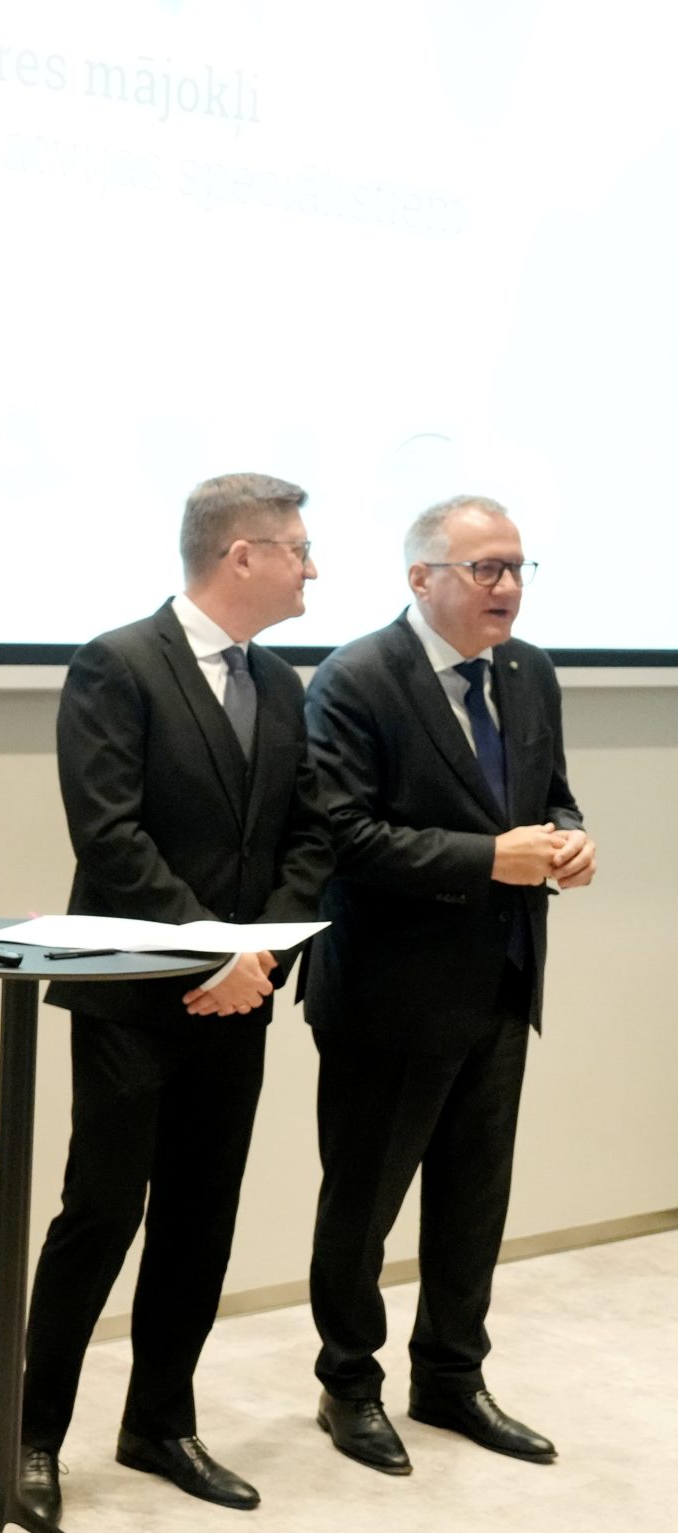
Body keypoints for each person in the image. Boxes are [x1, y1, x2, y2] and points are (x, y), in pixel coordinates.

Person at [18, 473, 334, 1523]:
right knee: (101, 1215)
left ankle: (159, 1422)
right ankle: (30, 1439)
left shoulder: (282, 682)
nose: (312, 567)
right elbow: (109, 836)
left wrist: (261, 953)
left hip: (241, 996)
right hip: (133, 996)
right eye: (297, 548)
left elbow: (308, 834)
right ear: (241, 555)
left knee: (201, 1219)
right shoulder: (117, 664)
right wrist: (210, 951)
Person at [301, 495, 592, 1475]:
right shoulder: (356, 678)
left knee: (473, 1200)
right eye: (484, 568)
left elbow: (549, 796)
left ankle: (451, 1378)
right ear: (420, 578)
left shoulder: (528, 670)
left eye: (516, 567)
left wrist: (569, 838)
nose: (506, 586)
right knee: (364, 1206)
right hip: (387, 991)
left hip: (501, 978)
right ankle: (349, 1385)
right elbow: (342, 837)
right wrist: (488, 859)